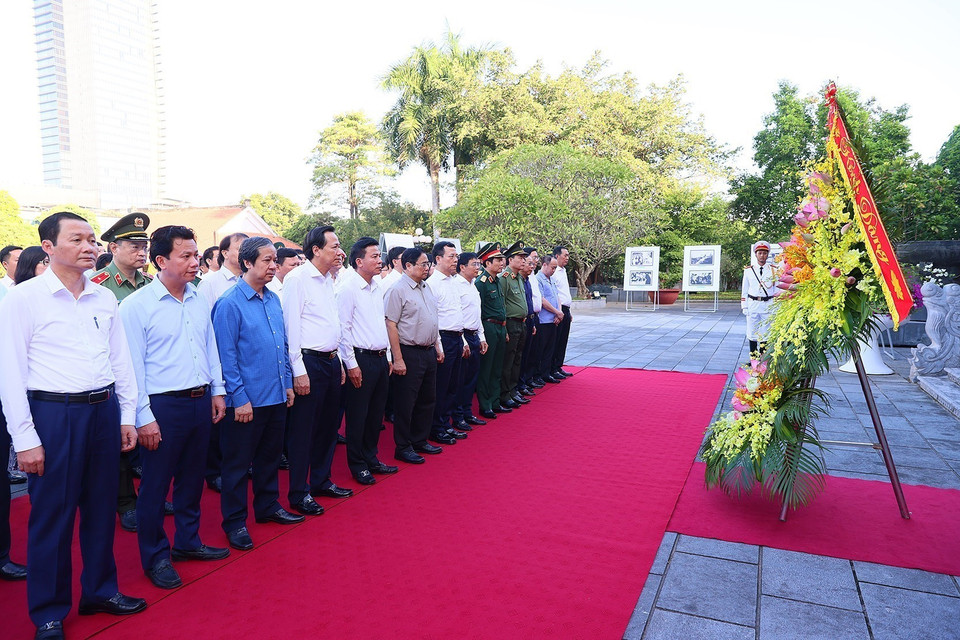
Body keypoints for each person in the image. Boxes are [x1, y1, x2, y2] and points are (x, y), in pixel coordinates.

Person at [0, 211, 146, 639]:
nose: (90, 247)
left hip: (102, 411)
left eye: (91, 239)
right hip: (53, 415)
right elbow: (10, 375)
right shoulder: (23, 300)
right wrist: (25, 439)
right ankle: (48, 611)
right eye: (77, 239)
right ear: (48, 247)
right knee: (52, 515)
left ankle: (100, 589)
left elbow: (121, 361)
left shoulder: (103, 297)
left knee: (102, 508)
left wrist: (126, 414)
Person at [119, 225, 231, 590]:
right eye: (186, 256)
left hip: (200, 400)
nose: (194, 262)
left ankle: (188, 542)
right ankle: (156, 557)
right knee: (154, 486)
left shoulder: (199, 297)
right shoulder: (137, 306)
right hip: (162, 407)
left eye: (196, 255)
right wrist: (143, 417)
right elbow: (131, 367)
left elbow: (210, 346)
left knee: (192, 478)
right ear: (161, 260)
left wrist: (218, 390)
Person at [212, 237, 301, 551]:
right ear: (247, 263)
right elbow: (226, 355)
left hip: (276, 393)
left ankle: (268, 506)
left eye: (274, 260)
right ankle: (235, 523)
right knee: (237, 466)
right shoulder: (228, 303)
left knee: (270, 457)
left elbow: (282, 344)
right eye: (266, 260)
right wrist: (238, 397)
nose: (272, 266)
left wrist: (287, 383)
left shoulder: (273, 298)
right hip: (246, 401)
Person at [89, 213, 153, 533]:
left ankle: (152, 494)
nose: (142, 251)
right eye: (134, 244)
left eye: (145, 245)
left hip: (148, 372)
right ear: (113, 247)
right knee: (122, 444)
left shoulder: (151, 285)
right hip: (114, 374)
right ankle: (126, 502)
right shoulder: (96, 286)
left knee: (150, 437)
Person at [282, 225, 351, 517]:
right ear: (316, 250)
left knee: (327, 427)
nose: (340, 251)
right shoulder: (298, 279)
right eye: (334, 246)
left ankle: (322, 480)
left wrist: (343, 361)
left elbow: (334, 321)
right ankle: (299, 492)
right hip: (307, 363)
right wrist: (298, 371)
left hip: (331, 360)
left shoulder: (328, 279)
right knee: (303, 431)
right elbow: (291, 329)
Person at [337, 237, 398, 484]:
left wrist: (390, 356)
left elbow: (381, 324)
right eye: (374, 256)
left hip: (381, 359)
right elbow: (343, 329)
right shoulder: (348, 288)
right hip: (360, 359)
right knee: (358, 416)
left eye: (379, 256)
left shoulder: (377, 287)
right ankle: (358, 464)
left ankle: (371, 458)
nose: (379, 260)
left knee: (375, 415)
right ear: (359, 261)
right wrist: (351, 364)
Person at [198, 232, 248, 494]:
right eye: (239, 248)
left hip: (246, 362)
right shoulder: (211, 283)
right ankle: (214, 471)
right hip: (219, 359)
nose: (244, 252)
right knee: (220, 418)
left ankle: (237, 463)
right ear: (225, 252)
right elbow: (206, 329)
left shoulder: (250, 281)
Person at [384, 248, 442, 464]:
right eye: (423, 264)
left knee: (427, 399)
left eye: (428, 264)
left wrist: (436, 345)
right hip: (409, 351)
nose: (427, 268)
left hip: (428, 350)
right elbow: (391, 323)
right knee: (406, 402)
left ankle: (420, 439)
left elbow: (432, 318)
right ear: (408, 266)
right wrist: (397, 358)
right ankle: (403, 445)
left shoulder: (426, 287)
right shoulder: (397, 289)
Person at [426, 241, 469, 445]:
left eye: (456, 256)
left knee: (454, 385)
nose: (455, 260)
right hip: (443, 339)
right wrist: (439, 345)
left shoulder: (454, 281)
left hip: (457, 337)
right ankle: (437, 427)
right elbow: (433, 318)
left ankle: (446, 424)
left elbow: (456, 313)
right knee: (441, 387)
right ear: (438, 259)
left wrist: (462, 339)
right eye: (451, 256)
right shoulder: (432, 284)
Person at [451, 252, 487, 429]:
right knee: (460, 380)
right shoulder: (455, 285)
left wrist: (481, 336)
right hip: (462, 336)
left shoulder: (473, 285)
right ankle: (458, 417)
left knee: (471, 379)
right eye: (474, 264)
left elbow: (476, 314)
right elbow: (458, 315)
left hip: (474, 335)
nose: (478, 268)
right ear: (462, 266)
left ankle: (467, 413)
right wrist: (464, 340)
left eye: (479, 264)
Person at [475, 242, 509, 419]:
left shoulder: (496, 281)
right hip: (488, 326)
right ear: (487, 263)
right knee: (487, 368)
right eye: (497, 260)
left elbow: (501, 307)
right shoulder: (481, 283)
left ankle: (495, 402)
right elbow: (478, 310)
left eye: (502, 259)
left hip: (500, 327)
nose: (502, 263)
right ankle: (485, 404)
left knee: (497, 367)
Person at [499, 242, 530, 410]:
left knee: (517, 359)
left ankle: (513, 390)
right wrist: (504, 327)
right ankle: (505, 394)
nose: (523, 261)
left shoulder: (519, 277)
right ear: (510, 259)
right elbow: (502, 303)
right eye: (520, 257)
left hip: (521, 323)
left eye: (524, 258)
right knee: (508, 361)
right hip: (510, 323)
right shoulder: (504, 278)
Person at [740, 240, 778, 355]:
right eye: (760, 253)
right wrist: (744, 306)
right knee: (752, 332)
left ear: (768, 254)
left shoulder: (774, 270)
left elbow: (777, 290)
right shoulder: (748, 270)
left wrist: (776, 306)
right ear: (755, 254)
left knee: (766, 333)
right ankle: (753, 359)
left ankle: (763, 360)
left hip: (768, 304)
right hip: (753, 303)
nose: (762, 255)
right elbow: (744, 290)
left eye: (765, 253)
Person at [535, 255, 564, 384]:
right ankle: (539, 374)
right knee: (541, 349)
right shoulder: (538, 279)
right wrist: (557, 312)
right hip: (544, 320)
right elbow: (542, 300)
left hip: (554, 319)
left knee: (550, 349)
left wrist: (559, 313)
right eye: (552, 267)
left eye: (555, 268)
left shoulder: (551, 279)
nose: (553, 270)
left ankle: (547, 373)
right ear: (544, 265)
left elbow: (557, 296)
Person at [550, 246, 573, 378]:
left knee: (563, 340)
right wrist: (558, 312)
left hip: (566, 309)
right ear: (557, 256)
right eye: (565, 255)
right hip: (558, 310)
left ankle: (558, 366)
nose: (567, 258)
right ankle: (552, 368)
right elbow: (554, 294)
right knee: (556, 340)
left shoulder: (563, 271)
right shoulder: (554, 272)